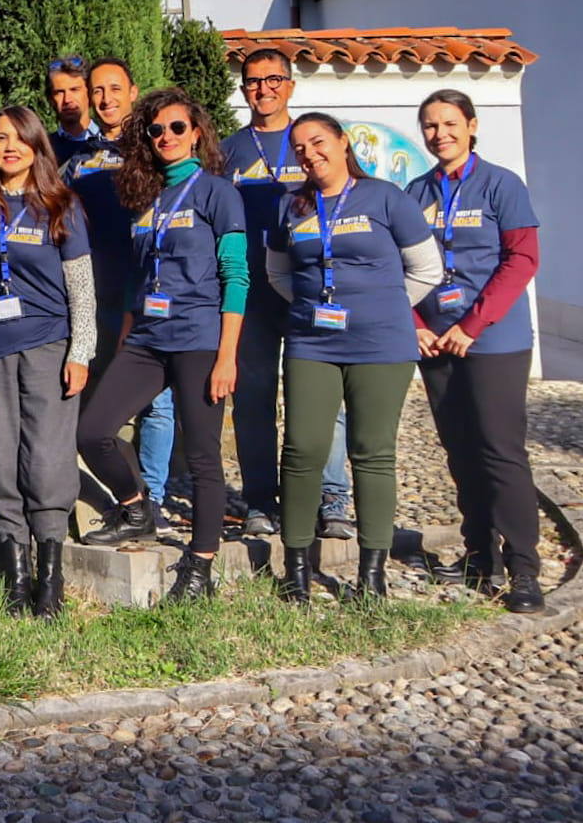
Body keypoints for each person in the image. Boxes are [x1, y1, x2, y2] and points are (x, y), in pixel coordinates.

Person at [76, 91, 247, 602]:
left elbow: (236, 277)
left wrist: (227, 356)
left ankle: (200, 566)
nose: (166, 137)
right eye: (156, 130)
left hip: (199, 339)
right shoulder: (146, 196)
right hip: (148, 338)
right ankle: (136, 509)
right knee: (92, 431)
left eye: (176, 128)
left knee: (201, 458)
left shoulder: (218, 192)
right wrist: (129, 323)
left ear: (196, 132)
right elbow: (141, 271)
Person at [266, 114, 441, 605]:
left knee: (372, 452)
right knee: (302, 448)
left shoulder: (387, 197)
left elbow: (428, 268)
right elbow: (278, 273)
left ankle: (372, 572)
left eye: (318, 142)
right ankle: (296, 567)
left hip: (382, 344)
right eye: (299, 148)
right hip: (312, 343)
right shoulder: (291, 206)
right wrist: (311, 308)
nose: (309, 153)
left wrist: (384, 306)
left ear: (344, 143)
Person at [407, 90, 544, 613]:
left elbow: (522, 259)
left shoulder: (501, 185)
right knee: (461, 451)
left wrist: (473, 324)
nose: (439, 133)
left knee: (499, 450)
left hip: (494, 339)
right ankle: (479, 553)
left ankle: (523, 568)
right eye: (430, 125)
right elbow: (399, 265)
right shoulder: (415, 192)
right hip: (435, 341)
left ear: (472, 126)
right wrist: (417, 323)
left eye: (449, 123)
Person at [0, 107, 95, 620]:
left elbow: (82, 289)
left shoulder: (62, 206)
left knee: (46, 459)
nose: (9, 148)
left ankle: (50, 574)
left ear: (38, 147)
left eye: (20, 139)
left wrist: (81, 351)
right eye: (0, 139)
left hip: (48, 345)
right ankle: (16, 573)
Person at [220, 50, 355, 540]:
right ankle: (260, 498)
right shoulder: (226, 151)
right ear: (244, 91)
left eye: (273, 79)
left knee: (321, 399)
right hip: (251, 295)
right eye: (253, 82)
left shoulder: (310, 143)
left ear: (290, 86)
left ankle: (331, 497)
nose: (263, 89)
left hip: (308, 290)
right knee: (253, 399)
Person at [61, 58, 178, 531]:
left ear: (133, 92)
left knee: (156, 405)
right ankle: (128, 500)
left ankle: (158, 500)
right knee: (103, 404)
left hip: (151, 293)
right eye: (97, 90)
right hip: (95, 293)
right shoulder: (78, 160)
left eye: (114, 89)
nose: (106, 99)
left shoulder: (156, 148)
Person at [44, 56, 99, 165]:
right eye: (59, 92)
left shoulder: (112, 143)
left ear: (89, 93)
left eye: (74, 90)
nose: (67, 99)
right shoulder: (44, 150)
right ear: (51, 99)